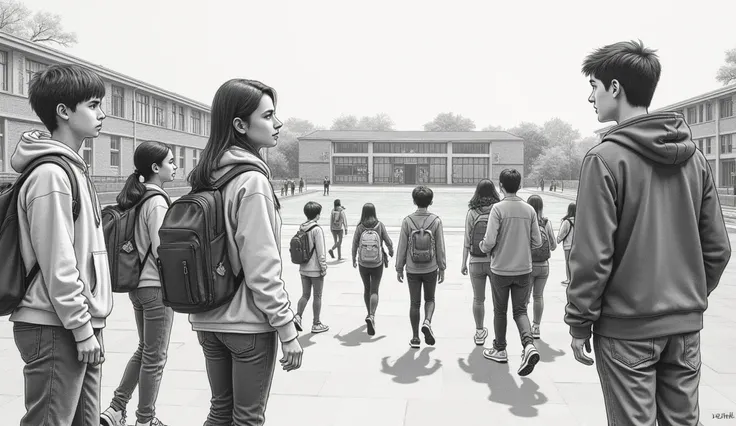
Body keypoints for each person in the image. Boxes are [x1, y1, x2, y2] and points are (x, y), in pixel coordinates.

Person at [566, 40, 731, 425]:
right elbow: (718, 249)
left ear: (616, 88)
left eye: (594, 85)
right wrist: (686, 296)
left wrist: (579, 321)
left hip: (627, 328)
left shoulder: (604, 159)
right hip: (685, 329)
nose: (591, 96)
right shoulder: (696, 158)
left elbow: (592, 256)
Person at [186, 79, 303, 425]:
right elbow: (261, 267)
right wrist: (286, 329)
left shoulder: (207, 176)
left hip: (207, 319)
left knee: (220, 412)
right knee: (248, 418)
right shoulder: (252, 182)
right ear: (240, 125)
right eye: (268, 115)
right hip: (248, 326)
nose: (277, 124)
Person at [10, 64, 112, 426]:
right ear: (64, 111)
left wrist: (87, 326)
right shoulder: (52, 174)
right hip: (56, 326)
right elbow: (59, 263)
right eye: (94, 105)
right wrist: (82, 329)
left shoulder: (73, 169)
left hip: (77, 323)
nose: (103, 114)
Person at [101, 141, 177, 426]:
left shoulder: (136, 196)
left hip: (137, 288)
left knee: (144, 349)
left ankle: (115, 408)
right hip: (156, 289)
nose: (175, 166)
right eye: (171, 162)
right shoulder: (156, 201)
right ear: (155, 168)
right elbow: (161, 249)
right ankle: (145, 420)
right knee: (155, 357)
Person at [479, 169, 542, 377]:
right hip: (524, 268)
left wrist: (483, 246)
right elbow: (537, 242)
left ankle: (500, 348)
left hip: (501, 269)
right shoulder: (529, 210)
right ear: (520, 185)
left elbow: (488, 242)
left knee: (500, 311)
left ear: (501, 186)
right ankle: (528, 345)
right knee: (520, 311)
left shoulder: (498, 209)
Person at [395, 186, 446, 348]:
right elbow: (440, 246)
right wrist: (442, 267)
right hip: (431, 267)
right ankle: (427, 321)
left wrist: (399, 267)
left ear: (414, 201)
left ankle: (415, 338)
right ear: (431, 201)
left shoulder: (407, 221)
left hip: (412, 268)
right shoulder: (436, 221)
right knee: (430, 299)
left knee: (414, 303)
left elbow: (402, 246)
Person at [460, 179, 501, 345]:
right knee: (498, 300)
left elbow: (467, 239)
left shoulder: (472, 212)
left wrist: (463, 262)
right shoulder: (498, 210)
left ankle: (479, 332)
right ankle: (499, 337)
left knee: (478, 299)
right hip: (495, 261)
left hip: (475, 260)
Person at [351, 203, 394, 335]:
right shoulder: (379, 225)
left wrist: (353, 258)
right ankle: (372, 315)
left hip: (363, 262)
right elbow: (388, 240)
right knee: (374, 289)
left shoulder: (360, 227)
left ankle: (368, 313)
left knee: (367, 289)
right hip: (377, 262)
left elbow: (354, 244)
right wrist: (391, 250)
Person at [294, 201, 329, 334]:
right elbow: (320, 251)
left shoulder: (301, 227)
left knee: (305, 294)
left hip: (303, 267)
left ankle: (298, 316)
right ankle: (316, 323)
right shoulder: (316, 229)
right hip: (315, 269)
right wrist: (323, 266)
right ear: (317, 215)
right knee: (317, 296)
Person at [526, 195, 557, 340]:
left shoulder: (526, 222)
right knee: (538, 296)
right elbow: (554, 245)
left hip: (528, 266)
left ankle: (524, 328)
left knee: (524, 298)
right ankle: (536, 327)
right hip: (544, 266)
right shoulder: (546, 223)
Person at [558, 203, 575, 285]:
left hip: (568, 245)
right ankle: (574, 278)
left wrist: (558, 240)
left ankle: (568, 279)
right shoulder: (580, 220)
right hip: (577, 246)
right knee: (575, 262)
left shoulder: (566, 221)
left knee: (568, 261)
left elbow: (561, 233)